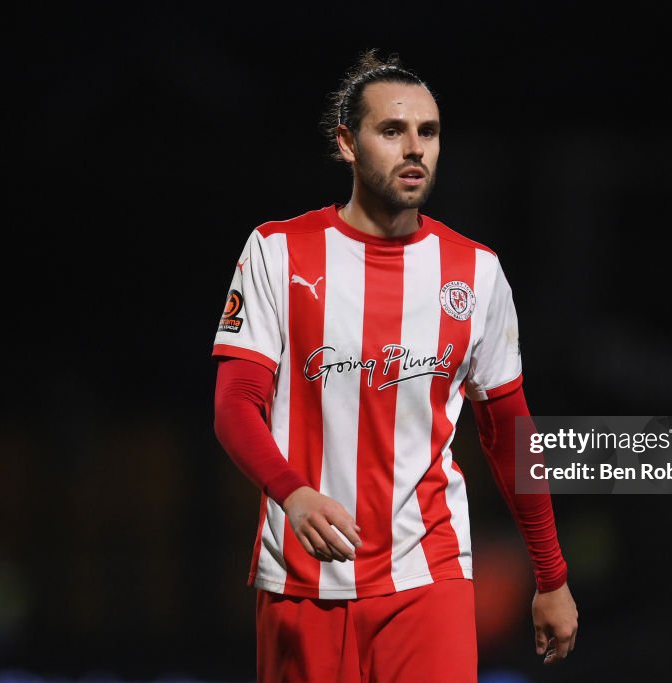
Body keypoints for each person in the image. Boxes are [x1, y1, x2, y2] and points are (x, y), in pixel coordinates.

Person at [212, 50, 577, 682]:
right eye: (392, 131)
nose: (415, 148)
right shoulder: (278, 250)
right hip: (302, 578)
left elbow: (509, 433)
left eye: (428, 133)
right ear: (347, 143)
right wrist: (291, 491)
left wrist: (552, 575)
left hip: (427, 575)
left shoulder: (475, 273)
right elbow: (234, 405)